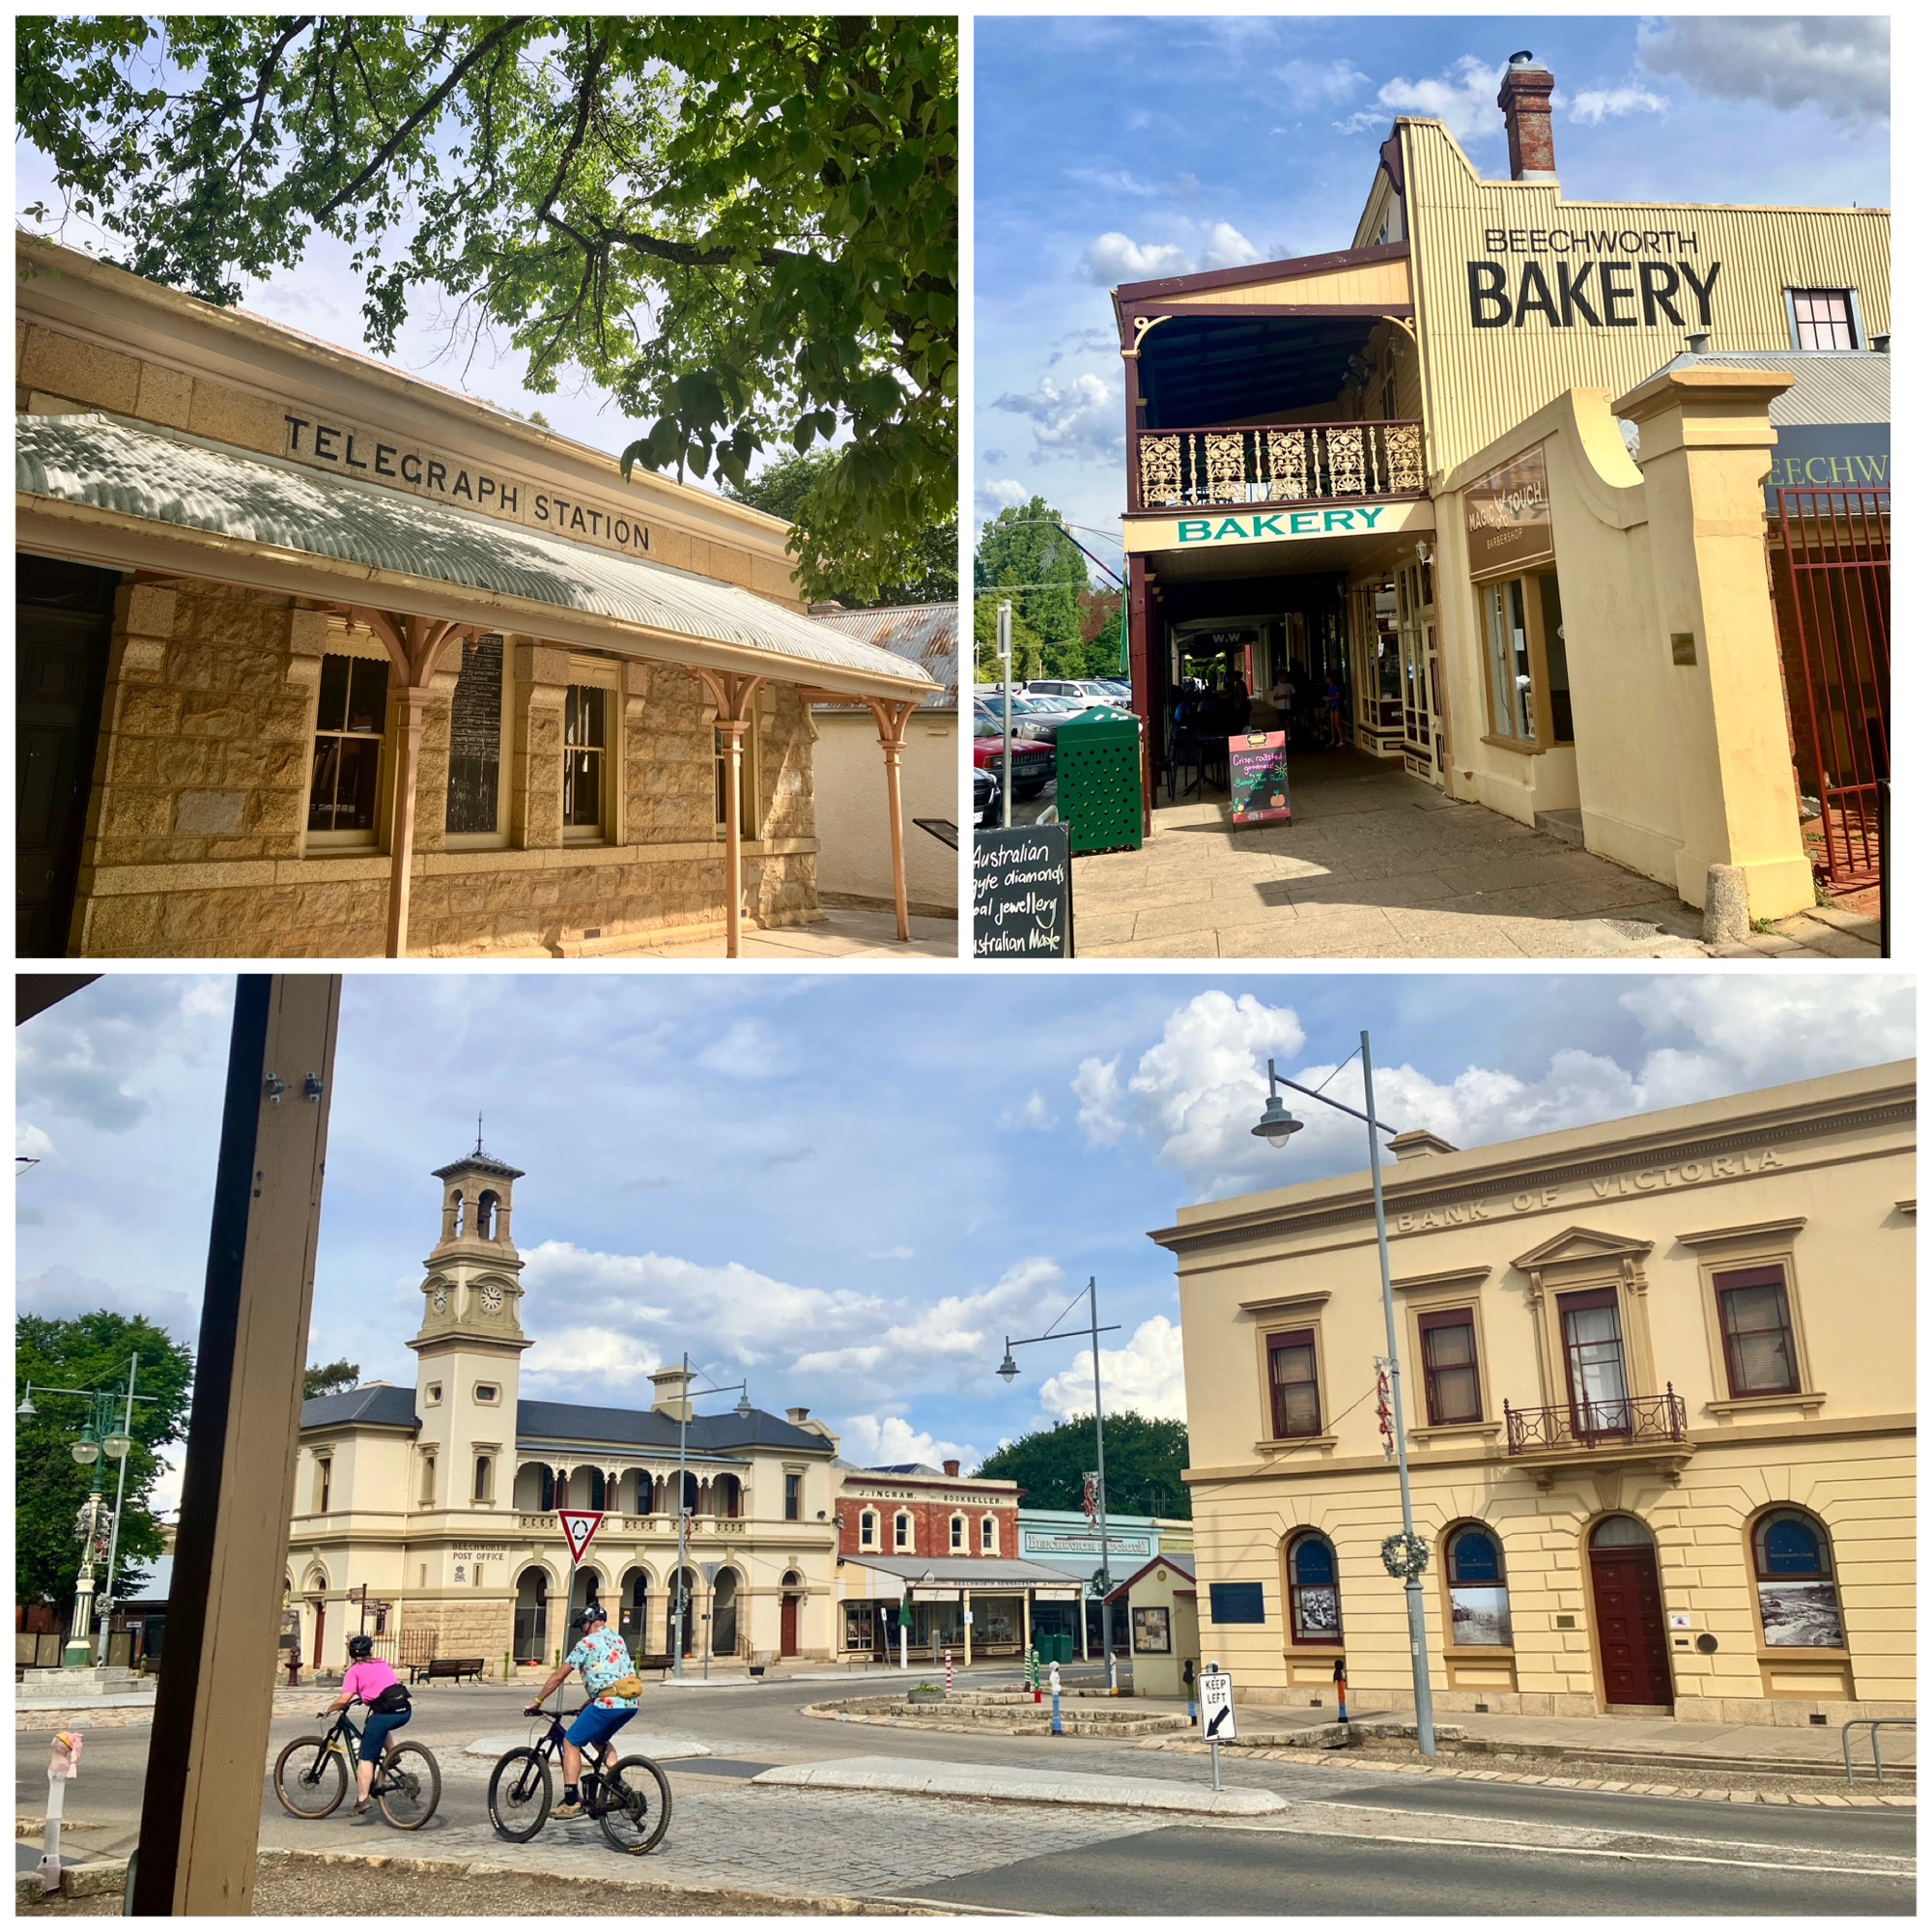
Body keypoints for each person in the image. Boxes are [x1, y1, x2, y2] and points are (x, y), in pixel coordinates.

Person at [525, 1604, 639, 1819]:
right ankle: (619, 1787)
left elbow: (559, 1675)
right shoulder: (618, 1640)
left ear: (589, 1622)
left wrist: (538, 1701)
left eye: (583, 1624)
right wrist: (590, 1702)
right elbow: (614, 1675)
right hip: (629, 1703)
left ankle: (570, 1802)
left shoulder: (586, 1643)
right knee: (599, 1740)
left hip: (608, 1704)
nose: (582, 1629)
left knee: (571, 1741)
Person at [321, 1633, 412, 1815]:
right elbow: (382, 1685)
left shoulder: (353, 1671)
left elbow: (344, 1699)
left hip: (385, 1714)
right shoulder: (382, 1663)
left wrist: (329, 1710)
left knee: (366, 1756)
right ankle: (392, 1755)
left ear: (351, 1654)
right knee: (377, 1724)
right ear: (369, 1650)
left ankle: (362, 1799)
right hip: (404, 1710)